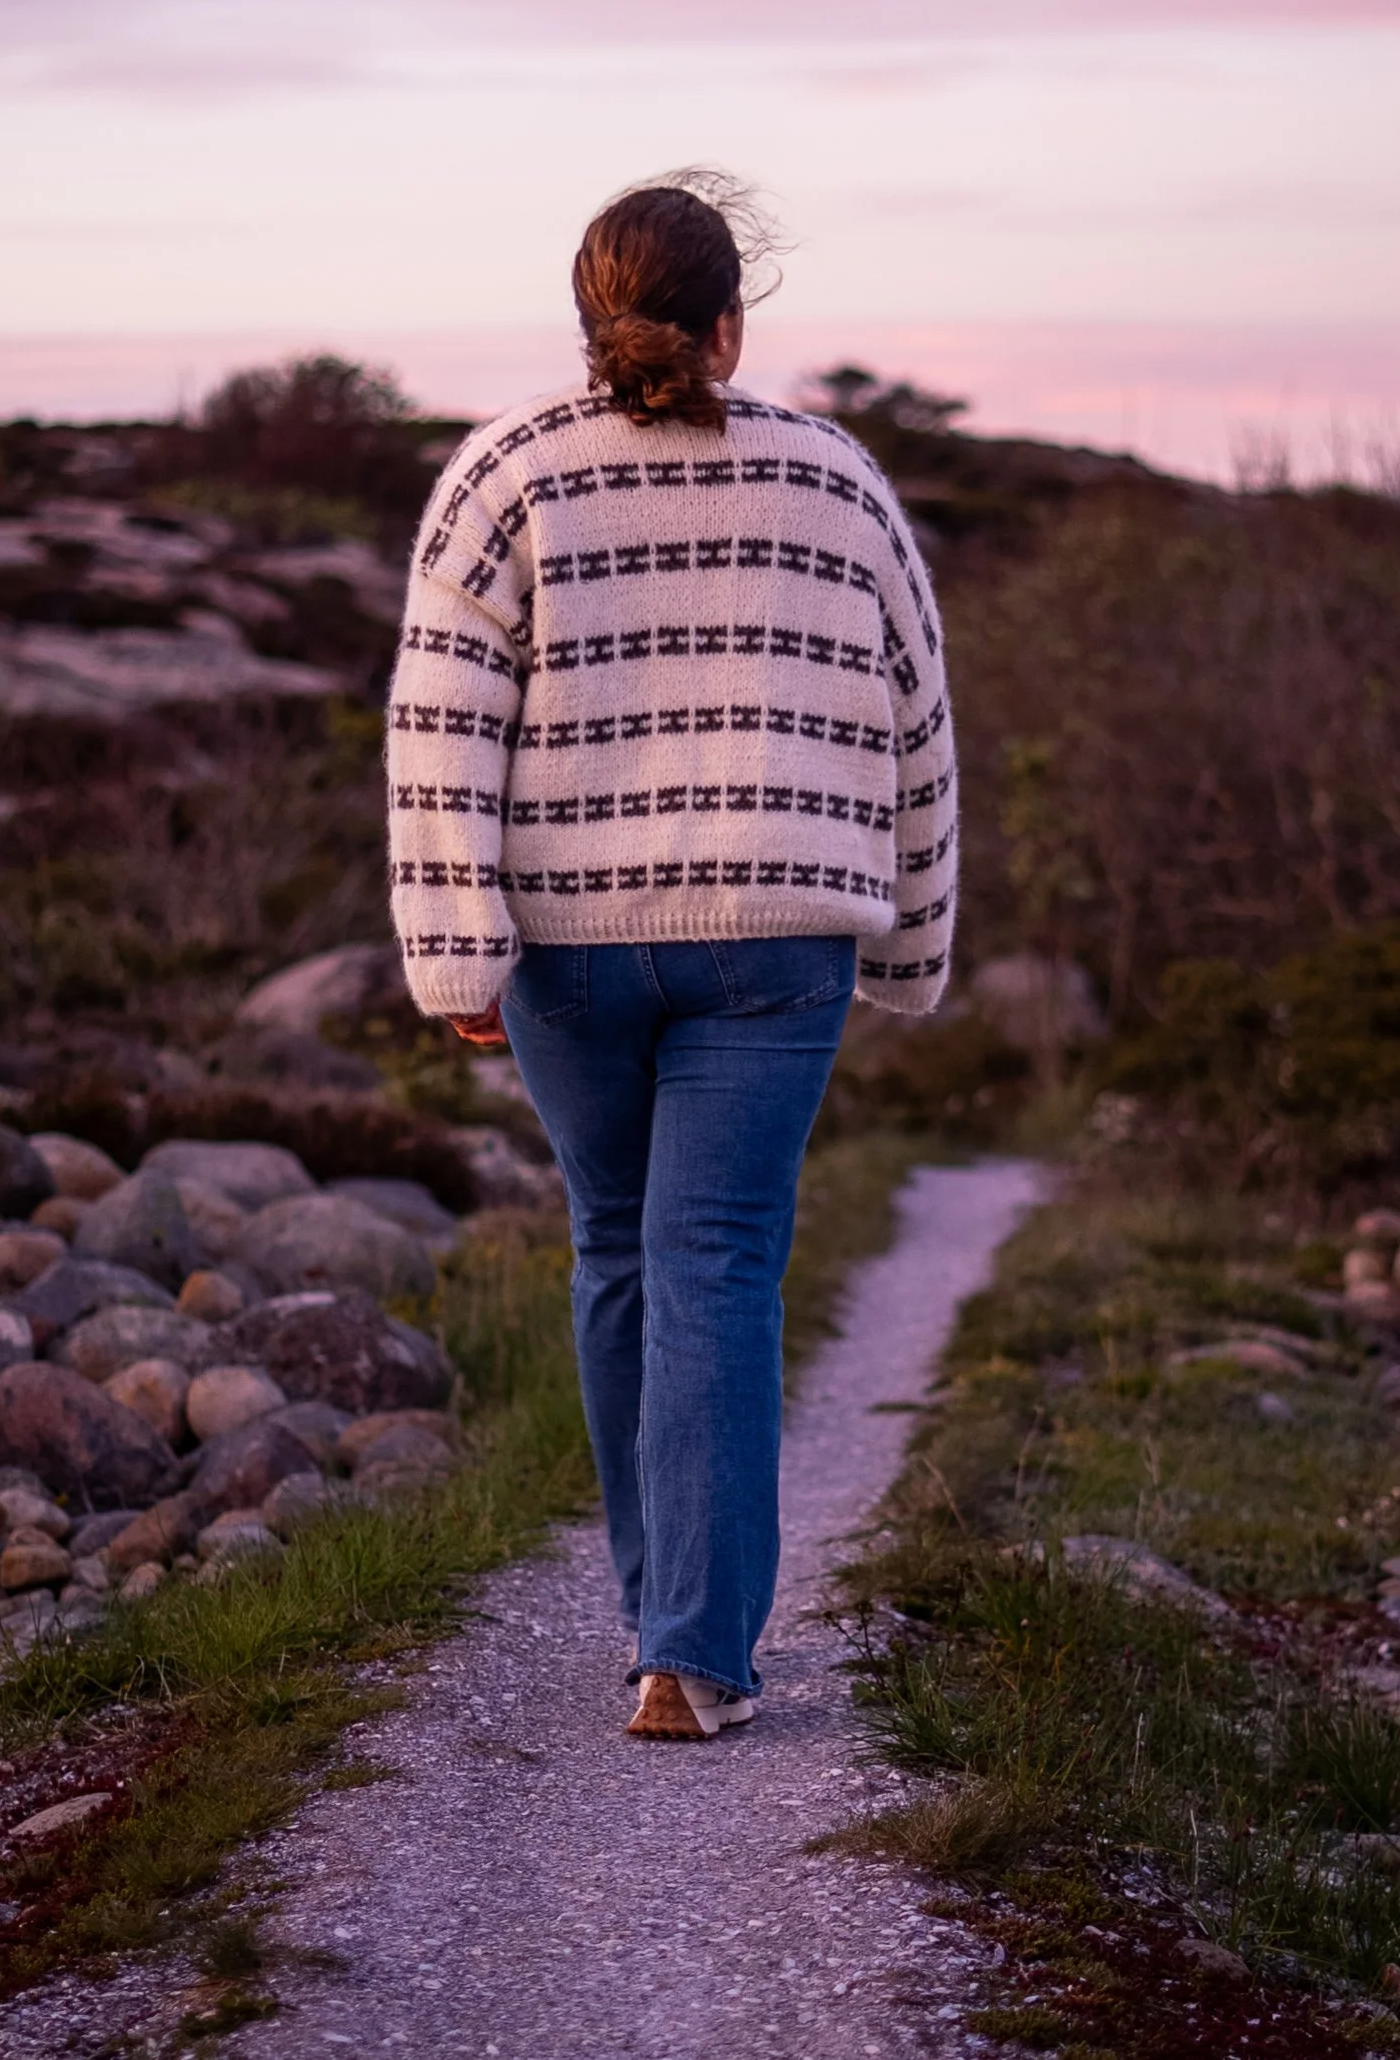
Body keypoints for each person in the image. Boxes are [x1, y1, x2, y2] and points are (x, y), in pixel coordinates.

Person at [384, 174, 958, 1739]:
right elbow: (915, 721)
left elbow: (441, 724)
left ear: (591, 323)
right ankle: (688, 1656)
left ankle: (663, 1626)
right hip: (779, 937)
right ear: (729, 325)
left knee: (621, 1251)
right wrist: (911, 944)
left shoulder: (504, 472)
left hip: (570, 945)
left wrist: (457, 952)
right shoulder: (836, 479)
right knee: (716, 1261)